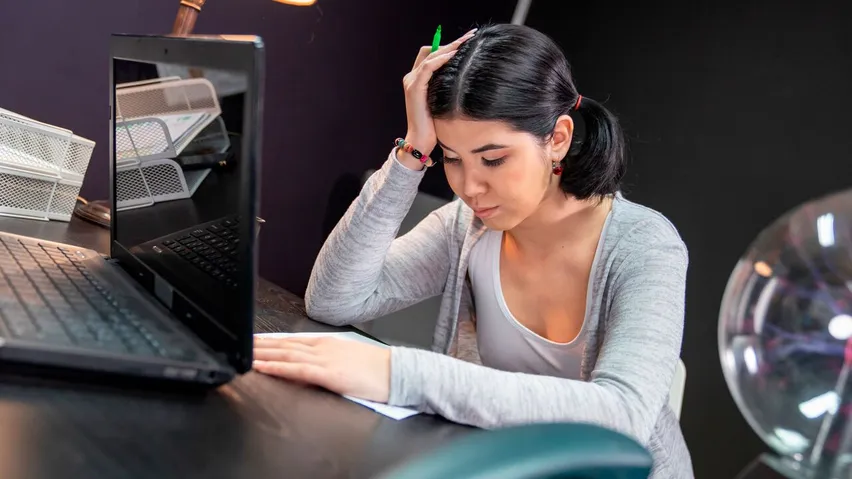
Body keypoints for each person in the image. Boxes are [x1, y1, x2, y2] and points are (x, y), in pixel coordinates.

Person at [253, 23, 693, 478]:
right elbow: (334, 300)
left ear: (558, 138)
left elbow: (623, 416)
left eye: (494, 158)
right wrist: (412, 153)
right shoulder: (469, 225)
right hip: (501, 465)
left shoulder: (644, 245)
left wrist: (398, 373)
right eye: (451, 157)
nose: (468, 186)